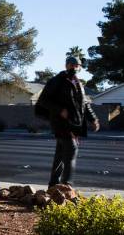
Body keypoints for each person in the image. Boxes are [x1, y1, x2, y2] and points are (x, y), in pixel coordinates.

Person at [37, 56, 100, 188]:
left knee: (60, 154)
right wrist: (60, 110)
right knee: (71, 149)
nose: (74, 67)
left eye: (77, 65)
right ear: (66, 65)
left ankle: (53, 185)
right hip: (60, 122)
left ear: (80, 67)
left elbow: (85, 103)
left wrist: (93, 119)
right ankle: (66, 186)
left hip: (74, 124)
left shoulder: (79, 84)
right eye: (71, 64)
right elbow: (43, 100)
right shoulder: (57, 81)